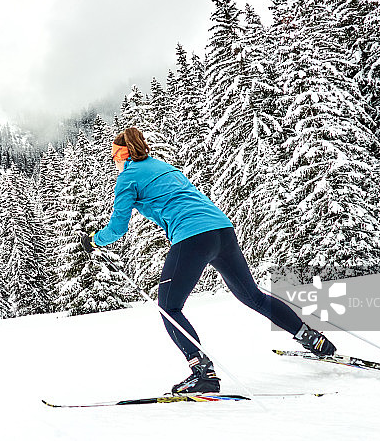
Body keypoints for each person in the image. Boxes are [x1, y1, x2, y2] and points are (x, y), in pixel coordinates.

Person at [80, 127, 337, 394]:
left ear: (124, 155)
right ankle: (311, 337)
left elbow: (118, 228)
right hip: (222, 231)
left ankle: (203, 373)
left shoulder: (128, 178)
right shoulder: (164, 167)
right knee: (253, 296)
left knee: (169, 307)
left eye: (113, 156)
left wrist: (94, 240)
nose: (114, 162)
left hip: (192, 237)